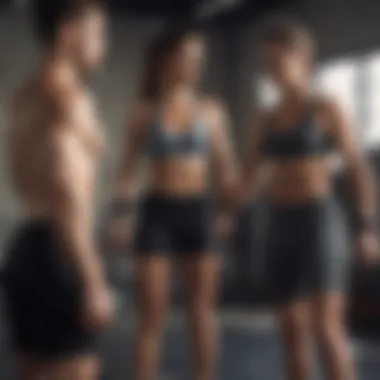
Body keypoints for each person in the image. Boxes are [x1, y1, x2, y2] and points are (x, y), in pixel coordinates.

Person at [238, 19, 378, 380]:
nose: (272, 71)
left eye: (278, 62)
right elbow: (249, 177)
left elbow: (358, 169)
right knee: (290, 330)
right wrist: (226, 205)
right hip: (280, 222)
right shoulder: (267, 118)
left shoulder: (325, 108)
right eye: (267, 64)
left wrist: (366, 227)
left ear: (303, 60)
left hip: (318, 221)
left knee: (326, 331)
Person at [107, 28, 238, 380]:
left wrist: (228, 210)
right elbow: (127, 170)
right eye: (186, 56)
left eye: (199, 58)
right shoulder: (144, 110)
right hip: (157, 213)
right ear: (166, 59)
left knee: (201, 312)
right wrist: (120, 216)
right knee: (151, 316)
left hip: (198, 210)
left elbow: (226, 169)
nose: (194, 65)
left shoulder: (212, 111)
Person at [2, 1, 114, 379]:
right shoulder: (69, 102)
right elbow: (67, 194)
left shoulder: (26, 95)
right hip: (62, 251)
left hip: (26, 248)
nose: (104, 43)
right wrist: (93, 280)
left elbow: (24, 177)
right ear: (68, 34)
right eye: (97, 33)